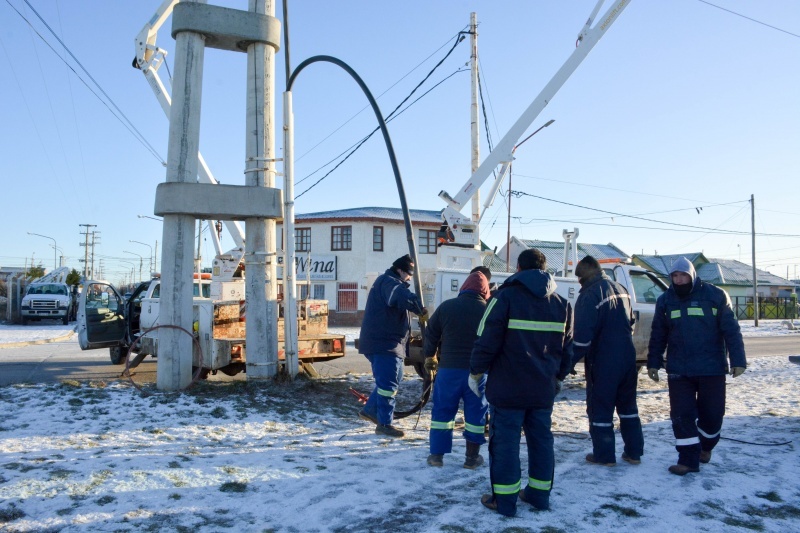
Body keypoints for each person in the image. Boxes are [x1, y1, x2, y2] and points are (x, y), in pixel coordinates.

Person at [469, 248, 573, 516]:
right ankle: (539, 496)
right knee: (541, 441)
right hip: (542, 389)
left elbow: (486, 338)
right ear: (544, 269)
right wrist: (559, 376)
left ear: (518, 268)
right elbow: (568, 348)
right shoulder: (562, 304)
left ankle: (504, 502)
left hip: (507, 388)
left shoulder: (504, 297)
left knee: (505, 443)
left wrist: (476, 371)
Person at [647, 257, 746, 476]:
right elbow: (658, 334)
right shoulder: (665, 300)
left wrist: (738, 360)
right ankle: (688, 459)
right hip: (679, 369)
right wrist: (653, 362)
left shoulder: (716, 296)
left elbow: (731, 330)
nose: (679, 280)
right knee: (681, 415)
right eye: (675, 276)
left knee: (712, 416)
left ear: (692, 276)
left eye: (683, 276)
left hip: (711, 368)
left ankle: (706, 446)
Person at [571, 255, 644, 467]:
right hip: (628, 358)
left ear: (582, 278)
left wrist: (565, 365)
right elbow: (631, 320)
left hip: (603, 361)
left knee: (600, 408)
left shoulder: (589, 295)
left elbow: (582, 340)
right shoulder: (621, 288)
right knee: (628, 407)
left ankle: (604, 455)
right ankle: (634, 452)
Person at [423, 270, 491, 469]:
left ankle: (436, 456)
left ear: (464, 287)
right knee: (476, 415)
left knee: (442, 413)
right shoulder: (489, 311)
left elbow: (431, 333)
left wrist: (430, 356)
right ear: (485, 290)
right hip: (477, 373)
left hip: (448, 371)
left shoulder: (447, 307)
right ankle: (471, 458)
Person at [358, 254, 427, 438]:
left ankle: (371, 410)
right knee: (388, 384)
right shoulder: (389, 282)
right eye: (408, 274)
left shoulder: (388, 282)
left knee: (392, 379)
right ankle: (385, 424)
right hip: (385, 344)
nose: (410, 278)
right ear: (400, 270)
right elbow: (400, 296)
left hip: (387, 343)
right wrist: (418, 306)